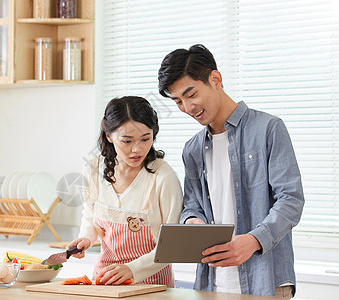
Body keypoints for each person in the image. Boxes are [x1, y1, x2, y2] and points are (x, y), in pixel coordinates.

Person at [157, 44, 304, 298]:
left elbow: (291, 200)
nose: (187, 108)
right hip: (211, 283)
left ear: (215, 79)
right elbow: (192, 206)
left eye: (191, 95)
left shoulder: (268, 129)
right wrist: (193, 222)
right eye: (178, 101)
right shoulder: (192, 150)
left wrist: (253, 241)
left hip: (265, 281)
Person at [67, 96, 183, 287]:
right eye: (127, 141)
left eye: (145, 139)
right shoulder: (94, 168)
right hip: (105, 280)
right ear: (109, 136)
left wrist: (132, 269)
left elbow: (171, 246)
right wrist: (86, 238)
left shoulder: (163, 177)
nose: (137, 149)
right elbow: (90, 215)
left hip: (151, 285)